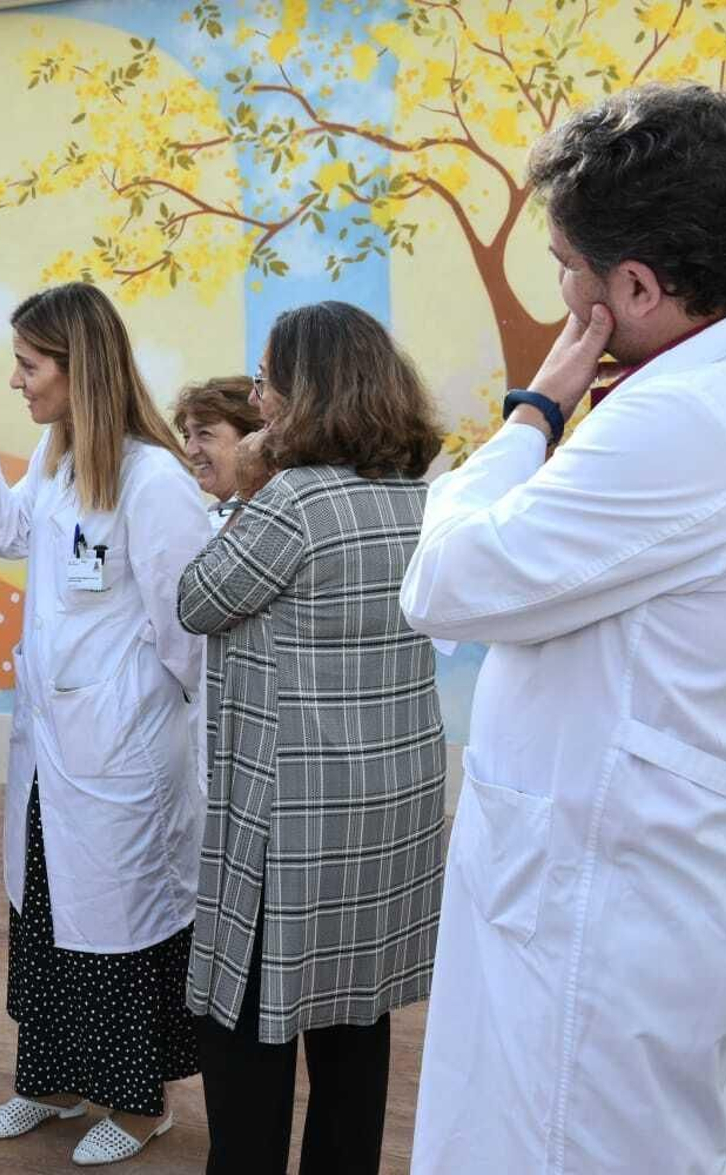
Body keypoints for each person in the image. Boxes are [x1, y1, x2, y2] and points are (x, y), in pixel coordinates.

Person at [400, 83, 726, 1174]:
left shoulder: (685, 418)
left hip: (597, 897)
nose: (560, 289)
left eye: (567, 263)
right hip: (667, 871)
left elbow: (444, 580)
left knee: (560, 1142)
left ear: (636, 284)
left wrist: (532, 411)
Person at [177, 302, 447, 1174]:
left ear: (308, 391)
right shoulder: (417, 492)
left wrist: (257, 472)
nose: (256, 399)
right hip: (387, 809)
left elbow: (197, 597)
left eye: (265, 381)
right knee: (353, 1029)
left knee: (248, 1044)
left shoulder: (291, 499)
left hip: (287, 818)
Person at [0, 282, 207, 1167]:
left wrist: (137, 718)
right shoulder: (59, 459)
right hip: (56, 746)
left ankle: (137, 1105)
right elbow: (12, 531)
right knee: (49, 909)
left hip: (121, 747)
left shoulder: (153, 477)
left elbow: (187, 626)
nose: (17, 380)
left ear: (78, 365)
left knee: (121, 924)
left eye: (30, 364)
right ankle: (51, 1083)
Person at [171, 376, 264, 531]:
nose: (190, 450)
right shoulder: (208, 515)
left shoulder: (266, 517)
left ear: (252, 437)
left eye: (204, 433)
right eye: (187, 437)